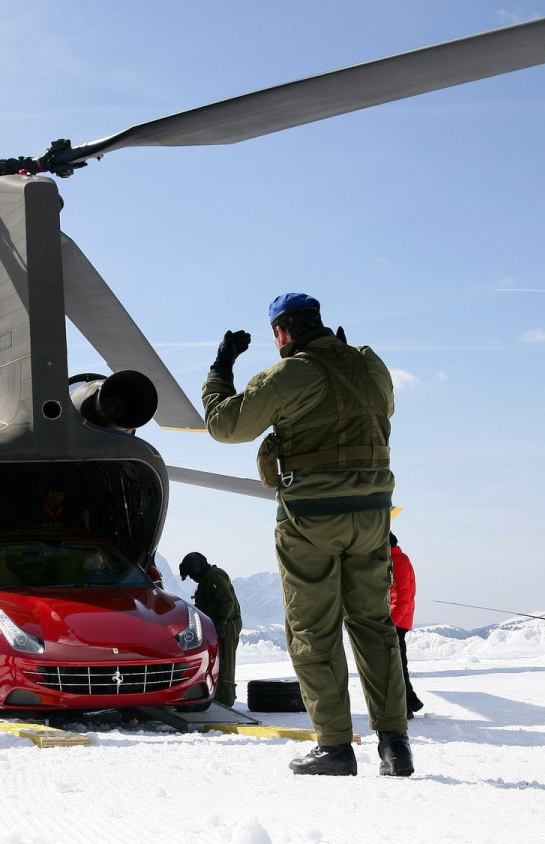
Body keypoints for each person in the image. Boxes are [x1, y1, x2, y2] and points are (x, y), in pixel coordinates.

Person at [201, 292, 411, 777]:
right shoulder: (368, 364)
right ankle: (395, 746)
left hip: (313, 518)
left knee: (312, 632)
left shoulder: (289, 373)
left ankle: (335, 747)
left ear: (282, 333)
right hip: (374, 515)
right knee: (374, 627)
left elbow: (225, 425)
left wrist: (221, 367)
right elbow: (385, 410)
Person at [178, 552, 242, 708]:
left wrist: (220, 623)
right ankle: (218, 696)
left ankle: (225, 700)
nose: (192, 578)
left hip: (226, 624)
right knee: (216, 661)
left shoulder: (214, 576)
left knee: (225, 662)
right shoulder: (206, 580)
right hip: (216, 625)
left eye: (192, 574)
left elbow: (227, 602)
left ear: (197, 568)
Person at [389, 533, 424, 718]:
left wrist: (390, 624)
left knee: (396, 665)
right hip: (400, 620)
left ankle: (408, 704)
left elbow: (401, 596)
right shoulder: (397, 559)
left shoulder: (397, 561)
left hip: (397, 622)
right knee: (397, 664)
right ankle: (409, 703)